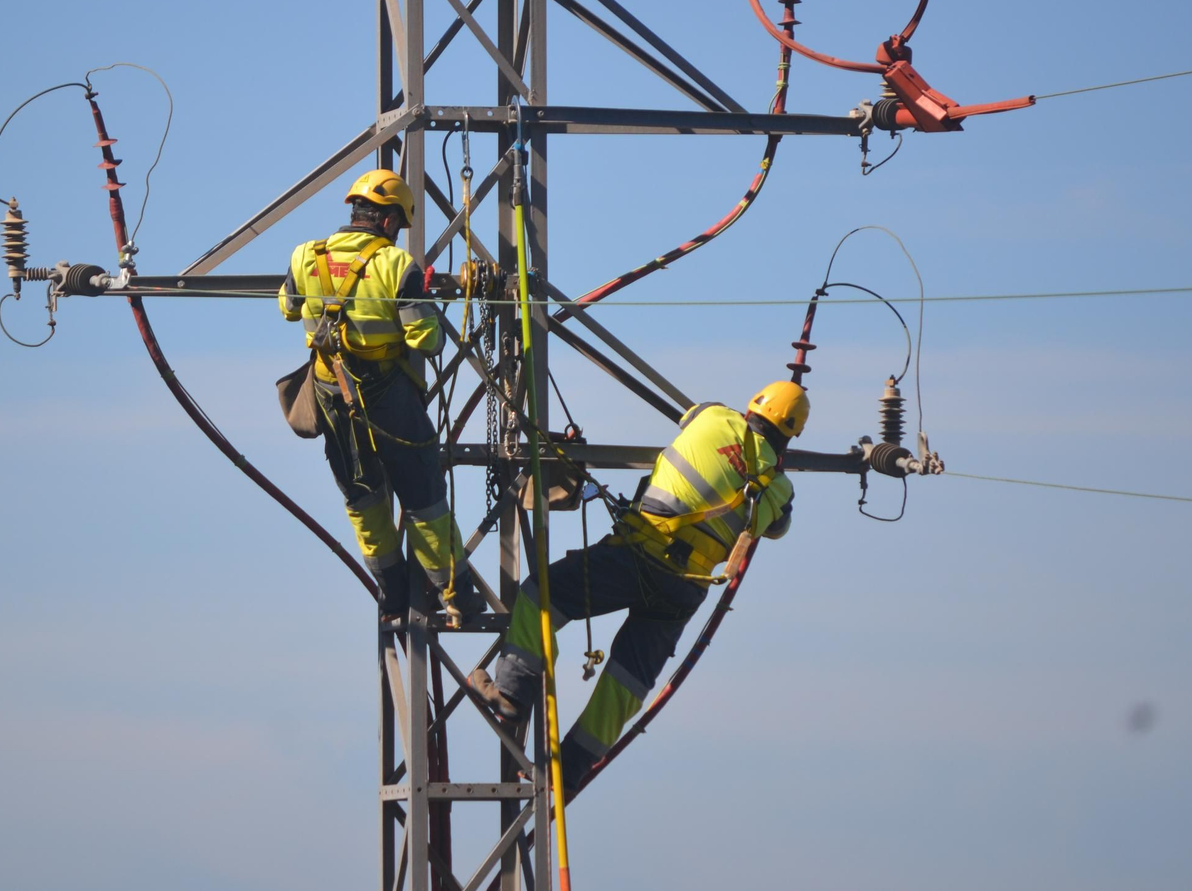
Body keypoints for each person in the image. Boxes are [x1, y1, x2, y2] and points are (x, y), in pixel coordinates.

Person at [470, 381, 808, 794]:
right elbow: (778, 527)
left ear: (753, 406)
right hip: (683, 592)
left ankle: (511, 693)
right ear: (791, 434)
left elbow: (690, 418)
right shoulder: (779, 489)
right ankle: (567, 769)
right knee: (626, 684)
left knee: (543, 595)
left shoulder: (714, 416)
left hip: (640, 554)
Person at [279, 168, 484, 621]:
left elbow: (288, 308)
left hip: (332, 396)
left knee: (363, 496)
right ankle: (455, 594)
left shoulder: (304, 257)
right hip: (388, 399)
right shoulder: (396, 266)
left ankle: (391, 591)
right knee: (422, 495)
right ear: (389, 221)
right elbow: (426, 341)